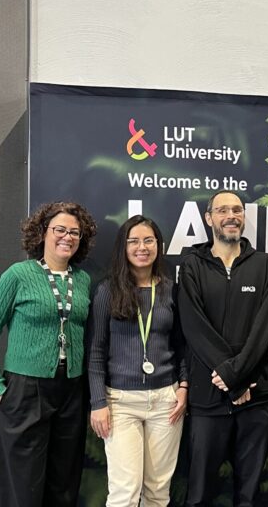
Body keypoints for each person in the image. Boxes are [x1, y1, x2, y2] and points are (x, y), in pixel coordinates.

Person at [0, 201, 97, 507]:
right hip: (26, 391)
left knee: (64, 484)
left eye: (75, 233)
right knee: (23, 488)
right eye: (60, 230)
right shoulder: (18, 275)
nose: (67, 237)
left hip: (71, 390)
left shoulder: (82, 280)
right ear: (43, 233)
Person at [177, 190, 268, 507]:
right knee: (199, 494)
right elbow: (194, 326)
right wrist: (231, 377)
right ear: (209, 219)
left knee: (249, 496)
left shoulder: (266, 265)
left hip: (255, 397)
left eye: (237, 209)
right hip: (208, 398)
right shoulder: (192, 264)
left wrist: (237, 375)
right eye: (223, 210)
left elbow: (267, 325)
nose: (231, 215)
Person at [87, 215, 188, 506]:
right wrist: (98, 403)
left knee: (158, 491)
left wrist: (183, 386)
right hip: (120, 402)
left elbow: (181, 344)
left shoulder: (171, 290)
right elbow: (95, 351)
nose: (141, 247)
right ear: (123, 247)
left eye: (148, 240)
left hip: (165, 402)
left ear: (159, 245)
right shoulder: (107, 291)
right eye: (133, 241)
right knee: (125, 492)